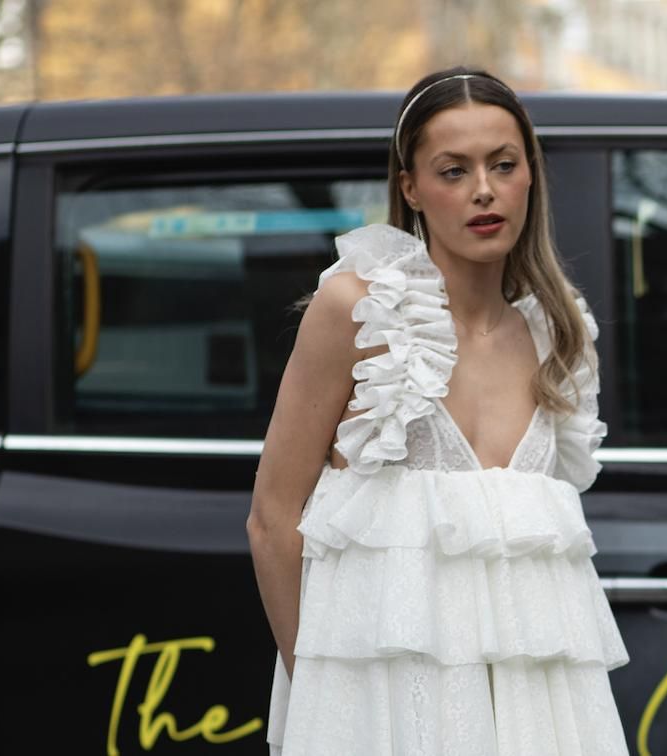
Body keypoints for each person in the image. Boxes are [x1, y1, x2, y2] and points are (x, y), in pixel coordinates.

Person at [246, 67, 630, 755]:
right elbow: (273, 520)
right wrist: (324, 705)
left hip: (540, 724)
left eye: (502, 165)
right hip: (384, 717)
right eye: (453, 171)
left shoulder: (561, 335)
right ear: (411, 188)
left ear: (529, 176)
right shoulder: (361, 311)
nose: (483, 189)